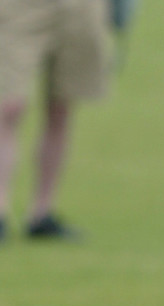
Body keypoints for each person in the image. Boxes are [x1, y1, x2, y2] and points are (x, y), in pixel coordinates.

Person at [0, 0, 112, 242]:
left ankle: (41, 214)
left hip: (81, 7)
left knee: (62, 107)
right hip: (20, 7)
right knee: (9, 107)